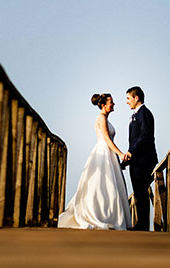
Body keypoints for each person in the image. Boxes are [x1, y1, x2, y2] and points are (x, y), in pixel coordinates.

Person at [57, 92, 132, 229]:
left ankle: (108, 214)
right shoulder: (101, 118)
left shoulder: (106, 119)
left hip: (109, 154)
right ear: (103, 105)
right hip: (103, 153)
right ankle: (98, 214)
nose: (113, 104)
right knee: (100, 185)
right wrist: (120, 153)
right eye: (111, 102)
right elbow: (107, 139)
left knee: (110, 186)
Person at [121, 86, 157, 231]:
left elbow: (145, 136)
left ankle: (142, 225)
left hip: (143, 160)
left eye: (128, 98)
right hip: (136, 160)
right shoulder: (137, 114)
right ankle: (141, 224)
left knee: (141, 192)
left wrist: (131, 152)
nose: (127, 102)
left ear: (136, 98)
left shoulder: (144, 113)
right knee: (139, 192)